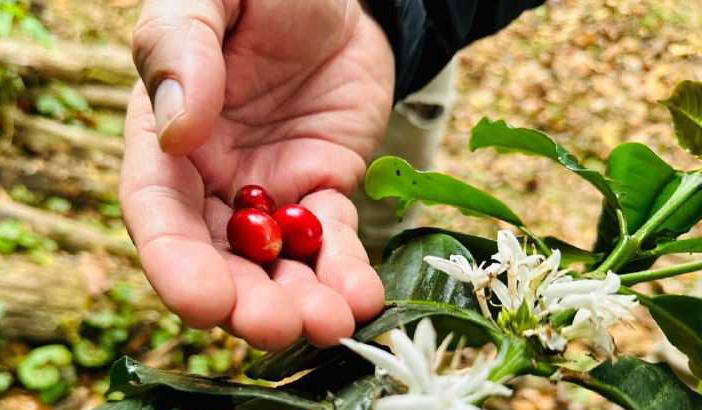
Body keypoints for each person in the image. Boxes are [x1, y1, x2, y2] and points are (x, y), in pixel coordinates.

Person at [120, 0, 546, 352]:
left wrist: (382, 14)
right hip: (378, 49)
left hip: (397, 66)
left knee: (384, 218)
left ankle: (380, 322)